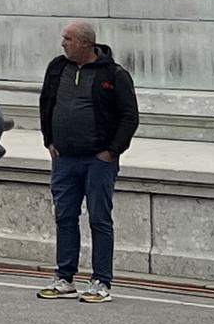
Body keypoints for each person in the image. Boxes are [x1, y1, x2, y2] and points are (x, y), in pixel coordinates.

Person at [37, 20, 138, 301]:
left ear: (85, 43)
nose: (63, 43)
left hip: (98, 160)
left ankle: (101, 282)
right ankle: (65, 277)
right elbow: (46, 102)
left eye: (68, 39)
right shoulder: (57, 68)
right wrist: (49, 140)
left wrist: (112, 151)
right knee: (65, 216)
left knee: (99, 219)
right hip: (64, 158)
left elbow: (129, 116)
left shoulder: (114, 74)